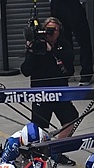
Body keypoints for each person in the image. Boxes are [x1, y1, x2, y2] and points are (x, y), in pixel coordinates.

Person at [20, 16, 79, 157]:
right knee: (38, 128)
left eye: (53, 30)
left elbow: (69, 70)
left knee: (72, 119)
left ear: (59, 31)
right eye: (47, 30)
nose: (50, 33)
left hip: (60, 92)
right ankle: (40, 153)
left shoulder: (64, 45)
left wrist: (52, 51)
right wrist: (32, 52)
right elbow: (25, 71)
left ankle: (57, 150)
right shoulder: (37, 47)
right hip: (41, 93)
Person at [50, 0, 94, 85]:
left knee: (83, 39)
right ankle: (68, 71)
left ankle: (86, 74)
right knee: (62, 39)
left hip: (74, 3)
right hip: (57, 4)